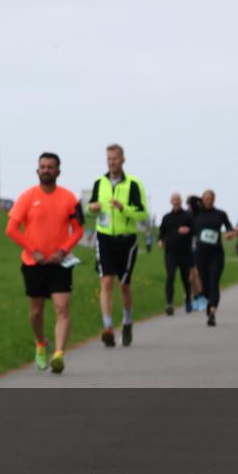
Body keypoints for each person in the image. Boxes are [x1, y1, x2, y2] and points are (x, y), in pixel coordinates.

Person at [6, 153, 85, 374]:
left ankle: (59, 354)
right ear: (37, 170)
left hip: (60, 263)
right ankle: (41, 343)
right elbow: (11, 229)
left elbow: (79, 230)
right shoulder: (27, 197)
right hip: (34, 264)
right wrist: (34, 251)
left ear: (58, 171)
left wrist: (63, 251)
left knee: (62, 307)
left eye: (51, 167)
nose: (46, 170)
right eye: (43, 167)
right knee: (36, 312)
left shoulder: (69, 198)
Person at [86, 144, 148, 347]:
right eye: (108, 159)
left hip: (126, 239)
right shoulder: (99, 183)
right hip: (104, 238)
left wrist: (124, 209)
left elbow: (143, 214)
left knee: (124, 285)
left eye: (115, 158)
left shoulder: (133, 184)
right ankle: (108, 328)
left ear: (123, 160)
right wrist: (92, 208)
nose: (112, 162)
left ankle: (128, 321)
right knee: (106, 282)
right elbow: (89, 209)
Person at [191, 190, 238, 326]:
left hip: (216, 254)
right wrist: (200, 200)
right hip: (201, 254)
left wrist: (233, 232)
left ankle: (212, 312)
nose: (208, 201)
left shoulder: (220, 214)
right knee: (205, 284)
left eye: (211, 198)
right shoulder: (197, 212)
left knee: (214, 281)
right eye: (206, 198)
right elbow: (191, 200)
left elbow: (229, 228)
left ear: (214, 199)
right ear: (203, 199)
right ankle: (209, 301)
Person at [158, 192, 194, 315]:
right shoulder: (166, 217)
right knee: (170, 277)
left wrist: (188, 230)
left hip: (185, 253)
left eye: (178, 199)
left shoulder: (188, 216)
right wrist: (160, 241)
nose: (176, 201)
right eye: (174, 199)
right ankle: (169, 304)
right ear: (171, 202)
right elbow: (162, 232)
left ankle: (188, 299)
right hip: (170, 253)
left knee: (185, 279)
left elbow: (195, 229)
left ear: (181, 201)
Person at [186, 195, 207, 311]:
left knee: (198, 273)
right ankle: (195, 297)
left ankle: (201, 296)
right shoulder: (186, 215)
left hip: (201, 247)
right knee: (191, 276)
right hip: (188, 248)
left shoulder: (202, 214)